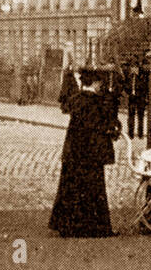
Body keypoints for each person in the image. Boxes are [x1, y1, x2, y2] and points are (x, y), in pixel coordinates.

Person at [49, 68, 120, 237]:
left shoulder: (77, 100)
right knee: (93, 189)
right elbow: (98, 127)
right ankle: (94, 227)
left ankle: (68, 226)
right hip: (90, 154)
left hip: (74, 152)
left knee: (71, 187)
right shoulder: (95, 102)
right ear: (95, 83)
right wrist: (111, 130)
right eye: (99, 83)